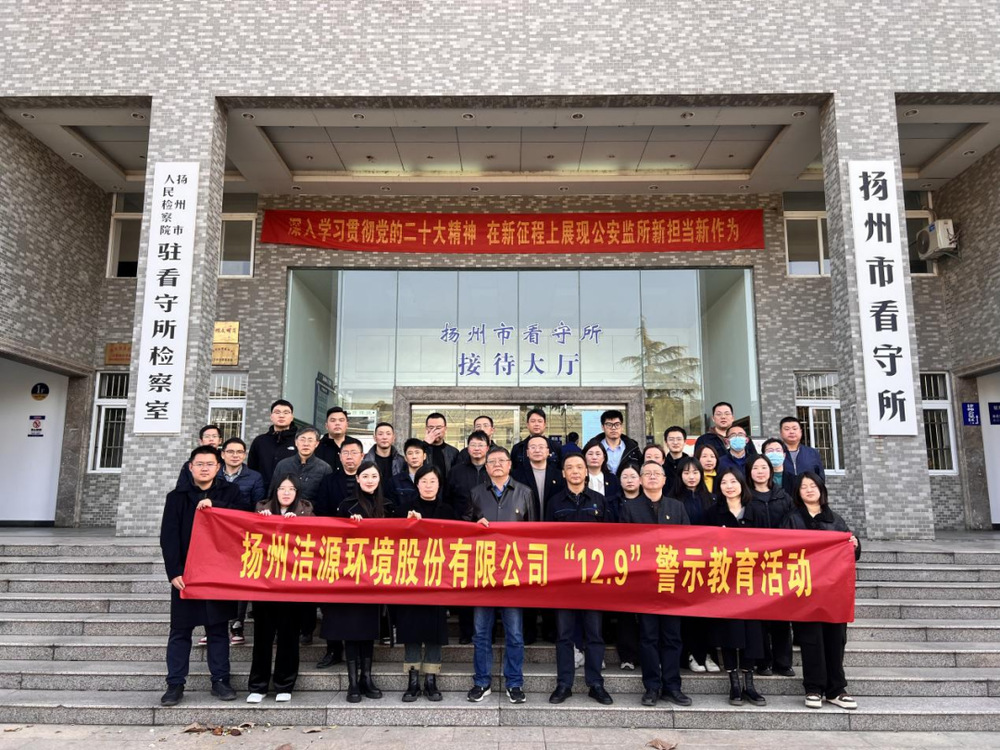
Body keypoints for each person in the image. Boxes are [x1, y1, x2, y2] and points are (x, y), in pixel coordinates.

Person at [159, 446, 242, 707]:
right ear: (190, 467)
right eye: (199, 464)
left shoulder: (231, 492)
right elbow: (168, 537)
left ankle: (220, 680)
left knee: (217, 629)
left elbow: (242, 520)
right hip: (187, 574)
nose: (204, 468)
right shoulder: (177, 497)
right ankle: (175, 683)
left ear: (218, 467)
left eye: (209, 464)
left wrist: (216, 505)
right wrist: (174, 571)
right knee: (180, 631)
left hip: (218, 574)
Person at [782, 472, 861, 711]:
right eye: (804, 486)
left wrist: (855, 545)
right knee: (810, 639)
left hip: (833, 591)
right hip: (805, 590)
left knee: (836, 639)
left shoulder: (835, 519)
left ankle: (837, 689)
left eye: (813, 486)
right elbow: (782, 550)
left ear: (821, 490)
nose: (809, 489)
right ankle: (814, 688)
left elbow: (850, 553)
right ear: (798, 493)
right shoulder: (792, 519)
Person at [465, 446, 535, 704]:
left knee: (514, 633)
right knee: (481, 632)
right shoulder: (475, 493)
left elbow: (536, 534)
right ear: (485, 467)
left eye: (501, 460)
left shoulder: (525, 493)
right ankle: (481, 682)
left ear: (510, 465)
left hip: (513, 574)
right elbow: (461, 531)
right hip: (483, 573)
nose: (496, 464)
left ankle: (514, 683)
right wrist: (473, 526)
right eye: (491, 461)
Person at [620, 460, 692, 707]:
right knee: (648, 637)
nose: (652, 477)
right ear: (640, 480)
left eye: (656, 473)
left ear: (664, 479)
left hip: (671, 581)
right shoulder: (629, 508)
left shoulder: (677, 507)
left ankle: (672, 686)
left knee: (672, 636)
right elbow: (624, 546)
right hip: (644, 583)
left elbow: (688, 542)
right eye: (647, 474)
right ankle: (652, 686)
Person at [323, 460, 395, 702]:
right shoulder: (346, 505)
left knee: (368, 629)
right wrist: (349, 528)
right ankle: (352, 682)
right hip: (351, 578)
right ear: (357, 479)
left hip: (377, 577)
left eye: (374, 476)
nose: (369, 480)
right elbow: (333, 540)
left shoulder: (388, 506)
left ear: (379, 479)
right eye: (365, 476)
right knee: (351, 629)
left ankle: (367, 678)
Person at [545, 453, 613, 706]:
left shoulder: (599, 501)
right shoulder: (554, 503)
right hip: (564, 579)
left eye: (579, 467)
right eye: (570, 467)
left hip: (593, 579)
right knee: (564, 634)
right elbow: (545, 540)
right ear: (563, 473)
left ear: (586, 471)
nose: (575, 471)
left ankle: (596, 684)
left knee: (594, 633)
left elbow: (612, 539)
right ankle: (564, 683)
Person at [246, 474, 312, 703]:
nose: (286, 493)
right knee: (262, 636)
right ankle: (258, 686)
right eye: (282, 488)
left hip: (292, 586)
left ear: (297, 493)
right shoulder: (261, 509)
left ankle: (285, 684)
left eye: (291, 489)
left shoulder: (306, 511)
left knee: (289, 636)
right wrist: (260, 522)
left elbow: (315, 542)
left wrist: (299, 524)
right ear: (274, 491)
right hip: (264, 585)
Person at [704, 468, 767, 707]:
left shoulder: (756, 511)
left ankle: (750, 684)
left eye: (733, 481)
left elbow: (770, 542)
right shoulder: (712, 513)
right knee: (729, 631)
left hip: (751, 581)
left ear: (742, 484)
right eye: (724, 482)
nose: (729, 486)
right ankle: (734, 685)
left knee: (752, 632)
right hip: (724, 581)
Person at [397, 465, 453, 702]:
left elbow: (456, 540)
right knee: (411, 627)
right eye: (424, 481)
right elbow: (393, 540)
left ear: (439, 485)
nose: (428, 485)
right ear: (416, 484)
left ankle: (431, 679)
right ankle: (412, 679)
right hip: (410, 577)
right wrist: (408, 524)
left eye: (433, 481)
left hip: (437, 578)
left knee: (434, 628)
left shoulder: (448, 511)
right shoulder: (404, 509)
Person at [310, 437, 366, 660]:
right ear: (339, 457)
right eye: (346, 453)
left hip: (364, 550)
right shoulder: (329, 481)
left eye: (354, 453)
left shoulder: (370, 479)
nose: (350, 457)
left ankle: (360, 648)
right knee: (332, 599)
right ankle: (333, 648)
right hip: (334, 547)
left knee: (360, 600)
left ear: (362, 456)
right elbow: (321, 511)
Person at [745, 453, 795, 678]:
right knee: (759, 616)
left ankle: (783, 663)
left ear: (771, 471)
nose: (760, 472)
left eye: (763, 467)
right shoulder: (746, 497)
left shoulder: (783, 497)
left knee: (782, 615)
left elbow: (794, 524)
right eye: (755, 468)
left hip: (780, 563)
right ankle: (763, 661)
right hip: (754, 564)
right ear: (749, 472)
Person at [669, 456, 720, 675]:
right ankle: (691, 653)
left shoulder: (712, 498)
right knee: (687, 612)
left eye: (695, 472)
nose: (691, 477)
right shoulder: (673, 500)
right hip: (682, 563)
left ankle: (707, 653)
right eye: (686, 472)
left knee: (707, 611)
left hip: (708, 563)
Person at [219, 437, 265, 646]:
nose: (235, 455)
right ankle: (216, 624)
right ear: (223, 454)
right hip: (216, 535)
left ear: (245, 455)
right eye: (230, 451)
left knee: (241, 578)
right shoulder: (214, 474)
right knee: (219, 578)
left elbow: (257, 505)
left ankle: (237, 623)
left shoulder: (254, 477)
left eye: (239, 452)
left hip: (243, 535)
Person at [611, 462, 642, 670]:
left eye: (633, 476)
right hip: (620, 563)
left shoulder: (650, 501)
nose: (629, 480)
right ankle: (627, 656)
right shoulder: (611, 503)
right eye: (625, 477)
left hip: (647, 563)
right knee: (625, 613)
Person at [268, 426, 332, 501]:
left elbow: (326, 499)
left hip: (310, 508)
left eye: (310, 440)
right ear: (296, 442)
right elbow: (272, 493)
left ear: (316, 444)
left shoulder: (325, 468)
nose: (306, 444)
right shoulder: (283, 465)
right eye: (302, 440)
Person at [247, 400, 299, 488]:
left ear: (292, 417)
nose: (281, 416)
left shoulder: (300, 440)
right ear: (271, 416)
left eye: (286, 413)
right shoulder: (260, 441)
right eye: (277, 412)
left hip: (291, 492)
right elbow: (252, 470)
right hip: (263, 491)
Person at [586, 409, 642, 476]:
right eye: (609, 425)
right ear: (603, 427)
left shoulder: (633, 448)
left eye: (617, 424)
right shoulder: (593, 447)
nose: (613, 428)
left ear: (622, 427)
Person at [779, 416, 826, 493]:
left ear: (800, 431)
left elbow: (820, 478)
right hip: (782, 497)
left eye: (795, 429)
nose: (791, 432)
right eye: (787, 429)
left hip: (807, 495)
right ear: (781, 433)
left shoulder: (812, 453)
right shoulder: (776, 454)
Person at [582, 439, 623, 522]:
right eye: (590, 454)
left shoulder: (613, 480)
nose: (594, 457)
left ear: (604, 457)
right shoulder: (579, 479)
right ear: (584, 457)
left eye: (598, 454)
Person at [174, 424, 223, 492]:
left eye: (214, 436)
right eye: (207, 436)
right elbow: (181, 488)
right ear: (201, 441)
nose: (211, 439)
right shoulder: (189, 465)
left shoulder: (226, 462)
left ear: (220, 440)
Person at [392, 438, 429, 509]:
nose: (414, 457)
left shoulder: (432, 480)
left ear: (424, 456)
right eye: (410, 453)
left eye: (417, 452)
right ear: (405, 458)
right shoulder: (395, 481)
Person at [423, 412, 459, 479]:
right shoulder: (420, 449)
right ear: (426, 429)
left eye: (438, 428)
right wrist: (425, 444)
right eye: (431, 427)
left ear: (445, 429)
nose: (435, 431)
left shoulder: (453, 452)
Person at [315, 406, 350, 474]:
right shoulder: (317, 447)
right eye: (333, 420)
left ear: (347, 425)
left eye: (341, 420)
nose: (337, 423)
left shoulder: (354, 445)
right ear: (326, 426)